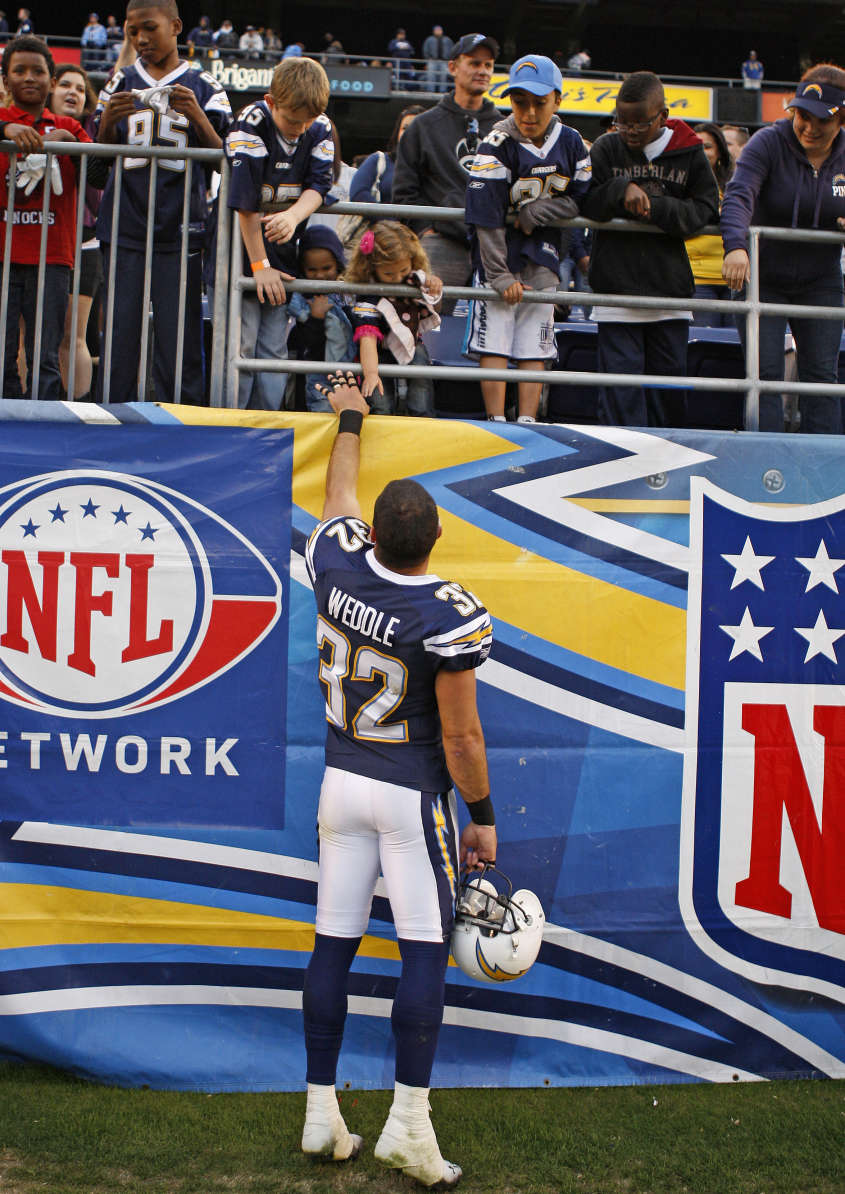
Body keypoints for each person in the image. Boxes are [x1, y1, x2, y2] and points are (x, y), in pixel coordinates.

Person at [301, 371, 495, 1188]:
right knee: (422, 954)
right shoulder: (445, 613)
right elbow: (460, 733)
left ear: (374, 535)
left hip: (338, 784)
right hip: (408, 794)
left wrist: (350, 414)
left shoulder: (338, 559)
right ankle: (407, 1126)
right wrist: (481, 815)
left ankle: (320, 1112)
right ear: (435, 537)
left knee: (332, 947)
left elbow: (338, 494)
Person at [93, 0, 232, 403]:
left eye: (149, 28)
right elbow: (95, 166)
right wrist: (105, 126)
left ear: (175, 27)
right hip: (123, 226)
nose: (140, 39)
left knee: (181, 337)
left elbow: (230, 158)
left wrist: (198, 118)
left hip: (182, 228)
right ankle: (113, 419)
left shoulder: (206, 85)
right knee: (119, 333)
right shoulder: (119, 81)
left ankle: (183, 421)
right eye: (132, 31)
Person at [581, 70, 719, 427]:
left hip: (668, 293)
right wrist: (620, 189)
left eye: (638, 124)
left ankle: (669, 469)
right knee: (618, 397)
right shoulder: (606, 148)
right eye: (621, 122)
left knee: (668, 398)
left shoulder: (689, 151)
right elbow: (585, 202)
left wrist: (657, 208)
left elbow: (706, 210)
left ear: (662, 116)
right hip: (615, 292)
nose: (628, 130)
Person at [465, 54, 591, 422]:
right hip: (499, 254)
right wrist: (498, 274)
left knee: (536, 338)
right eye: (521, 102)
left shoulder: (572, 143)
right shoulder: (496, 142)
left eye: (540, 102)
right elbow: (485, 218)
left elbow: (583, 198)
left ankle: (528, 420)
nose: (530, 113)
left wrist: (538, 212)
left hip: (545, 253)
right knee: (496, 337)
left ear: (558, 101)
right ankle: (496, 419)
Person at [721, 64, 845, 434]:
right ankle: (763, 461)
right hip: (763, 275)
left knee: (822, 376)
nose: (808, 126)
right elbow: (739, 193)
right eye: (802, 115)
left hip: (821, 280)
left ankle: (825, 468)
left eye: (820, 119)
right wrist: (736, 246)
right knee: (764, 376)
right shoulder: (767, 142)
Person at [219, 55, 334, 410]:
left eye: (308, 120)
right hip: (239, 255)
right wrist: (259, 265)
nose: (300, 128)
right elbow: (246, 202)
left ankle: (267, 429)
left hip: (281, 256)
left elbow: (320, 184)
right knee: (241, 346)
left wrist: (295, 215)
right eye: (291, 119)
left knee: (273, 350)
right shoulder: (251, 123)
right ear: (271, 102)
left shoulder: (320, 126)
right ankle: (230, 426)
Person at [0, 36, 91, 400]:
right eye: (18, 70)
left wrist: (75, 148)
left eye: (38, 71)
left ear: (51, 81)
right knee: (2, 356)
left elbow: (99, 178)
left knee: (46, 358)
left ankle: (45, 438)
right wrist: (4, 130)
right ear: (5, 80)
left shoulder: (68, 125)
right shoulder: (3, 120)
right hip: (2, 258)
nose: (29, 78)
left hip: (52, 258)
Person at [393, 32, 500, 313]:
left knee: (497, 333)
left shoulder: (506, 129)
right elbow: (403, 192)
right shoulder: (423, 126)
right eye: (474, 63)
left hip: (493, 243)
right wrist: (426, 230)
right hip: (440, 241)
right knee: (421, 323)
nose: (482, 71)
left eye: (488, 65)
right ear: (453, 67)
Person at [346, 220, 442, 416]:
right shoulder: (369, 294)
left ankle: (421, 419)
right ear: (372, 267)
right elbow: (367, 339)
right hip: (377, 351)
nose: (397, 278)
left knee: (421, 373)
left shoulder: (414, 279)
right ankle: (382, 421)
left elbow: (434, 301)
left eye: (403, 270)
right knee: (379, 397)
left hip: (411, 343)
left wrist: (434, 284)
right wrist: (371, 374)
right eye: (388, 273)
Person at [49, 62, 102, 399]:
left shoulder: (95, 136)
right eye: (66, 85)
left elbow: (99, 202)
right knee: (30, 336)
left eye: (80, 89)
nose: (73, 92)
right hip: (35, 240)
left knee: (74, 335)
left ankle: (76, 411)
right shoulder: (25, 129)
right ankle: (27, 407)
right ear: (50, 89)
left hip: (83, 243)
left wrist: (75, 149)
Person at [286, 225, 354, 412]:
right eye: (312, 270)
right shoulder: (302, 301)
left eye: (327, 268)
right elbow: (308, 344)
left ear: (338, 265)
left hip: (345, 371)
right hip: (314, 380)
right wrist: (315, 317)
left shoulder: (344, 295)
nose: (320, 275)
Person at [685, 121, 734, 327]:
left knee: (736, 350)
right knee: (704, 347)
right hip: (698, 279)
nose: (702, 152)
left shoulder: (735, 185)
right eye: (697, 147)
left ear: (720, 152)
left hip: (735, 280)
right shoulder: (681, 185)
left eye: (707, 147)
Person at [349, 104, 423, 207]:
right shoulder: (379, 160)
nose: (409, 133)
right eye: (405, 128)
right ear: (397, 132)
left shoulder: (435, 168)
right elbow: (358, 193)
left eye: (416, 128)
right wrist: (386, 219)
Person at [422, 25, 454, 94]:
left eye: (439, 30)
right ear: (433, 31)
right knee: (431, 76)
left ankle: (442, 91)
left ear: (442, 31)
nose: (438, 31)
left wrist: (449, 59)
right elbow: (425, 50)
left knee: (443, 77)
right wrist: (427, 59)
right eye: (436, 30)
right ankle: (430, 91)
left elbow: (452, 50)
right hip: (432, 60)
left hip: (444, 61)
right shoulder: (429, 39)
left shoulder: (447, 40)